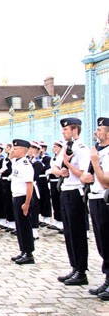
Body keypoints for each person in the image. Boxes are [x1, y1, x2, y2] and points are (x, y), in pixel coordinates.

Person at [52, 117, 90, 285]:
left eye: (66, 130)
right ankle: (74, 267)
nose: (63, 132)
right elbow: (54, 166)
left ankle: (81, 271)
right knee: (68, 233)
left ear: (75, 130)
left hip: (76, 192)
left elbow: (82, 173)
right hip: (65, 191)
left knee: (77, 233)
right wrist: (60, 172)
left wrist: (68, 165)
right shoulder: (65, 147)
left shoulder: (82, 148)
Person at [81, 117, 109, 299]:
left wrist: (96, 162)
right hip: (94, 198)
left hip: (105, 200)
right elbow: (86, 176)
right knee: (102, 245)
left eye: (100, 129)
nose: (96, 133)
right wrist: (85, 177)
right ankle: (108, 279)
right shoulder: (98, 151)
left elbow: (106, 181)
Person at [9, 139, 35, 265]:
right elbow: (10, 158)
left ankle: (29, 253)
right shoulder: (17, 162)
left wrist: (27, 203)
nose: (13, 150)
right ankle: (23, 250)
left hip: (23, 198)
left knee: (25, 226)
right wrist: (12, 152)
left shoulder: (25, 164)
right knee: (19, 226)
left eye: (16, 148)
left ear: (23, 150)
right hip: (16, 196)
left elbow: (29, 185)